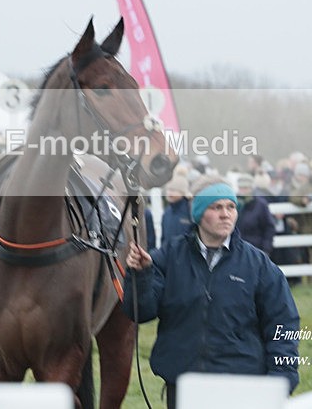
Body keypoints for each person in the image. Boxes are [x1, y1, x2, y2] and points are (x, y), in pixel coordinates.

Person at [123, 175, 300, 408]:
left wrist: (281, 379)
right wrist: (141, 275)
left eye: (231, 207)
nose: (226, 214)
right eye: (216, 207)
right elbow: (141, 312)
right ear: (198, 213)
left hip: (242, 387)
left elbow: (283, 323)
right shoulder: (168, 258)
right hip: (185, 386)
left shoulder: (259, 265)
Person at [235, 173, 276, 254]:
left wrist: (266, 249)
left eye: (245, 188)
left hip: (256, 250)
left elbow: (269, 227)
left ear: (251, 188)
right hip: (237, 250)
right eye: (241, 188)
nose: (242, 191)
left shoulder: (260, 205)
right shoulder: (233, 204)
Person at [160, 170, 193, 247]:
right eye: (169, 190)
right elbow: (163, 238)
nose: (170, 193)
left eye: (174, 190)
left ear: (183, 192)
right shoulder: (167, 212)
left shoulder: (190, 210)